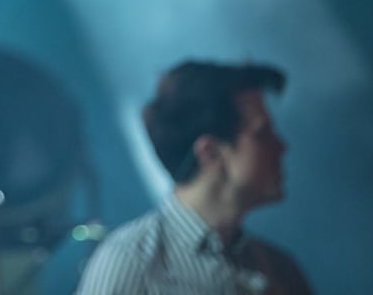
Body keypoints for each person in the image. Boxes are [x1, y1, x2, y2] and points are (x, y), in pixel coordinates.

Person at [75, 60, 313, 295]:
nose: (282, 146)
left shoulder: (280, 269)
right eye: (262, 134)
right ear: (210, 153)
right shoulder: (130, 262)